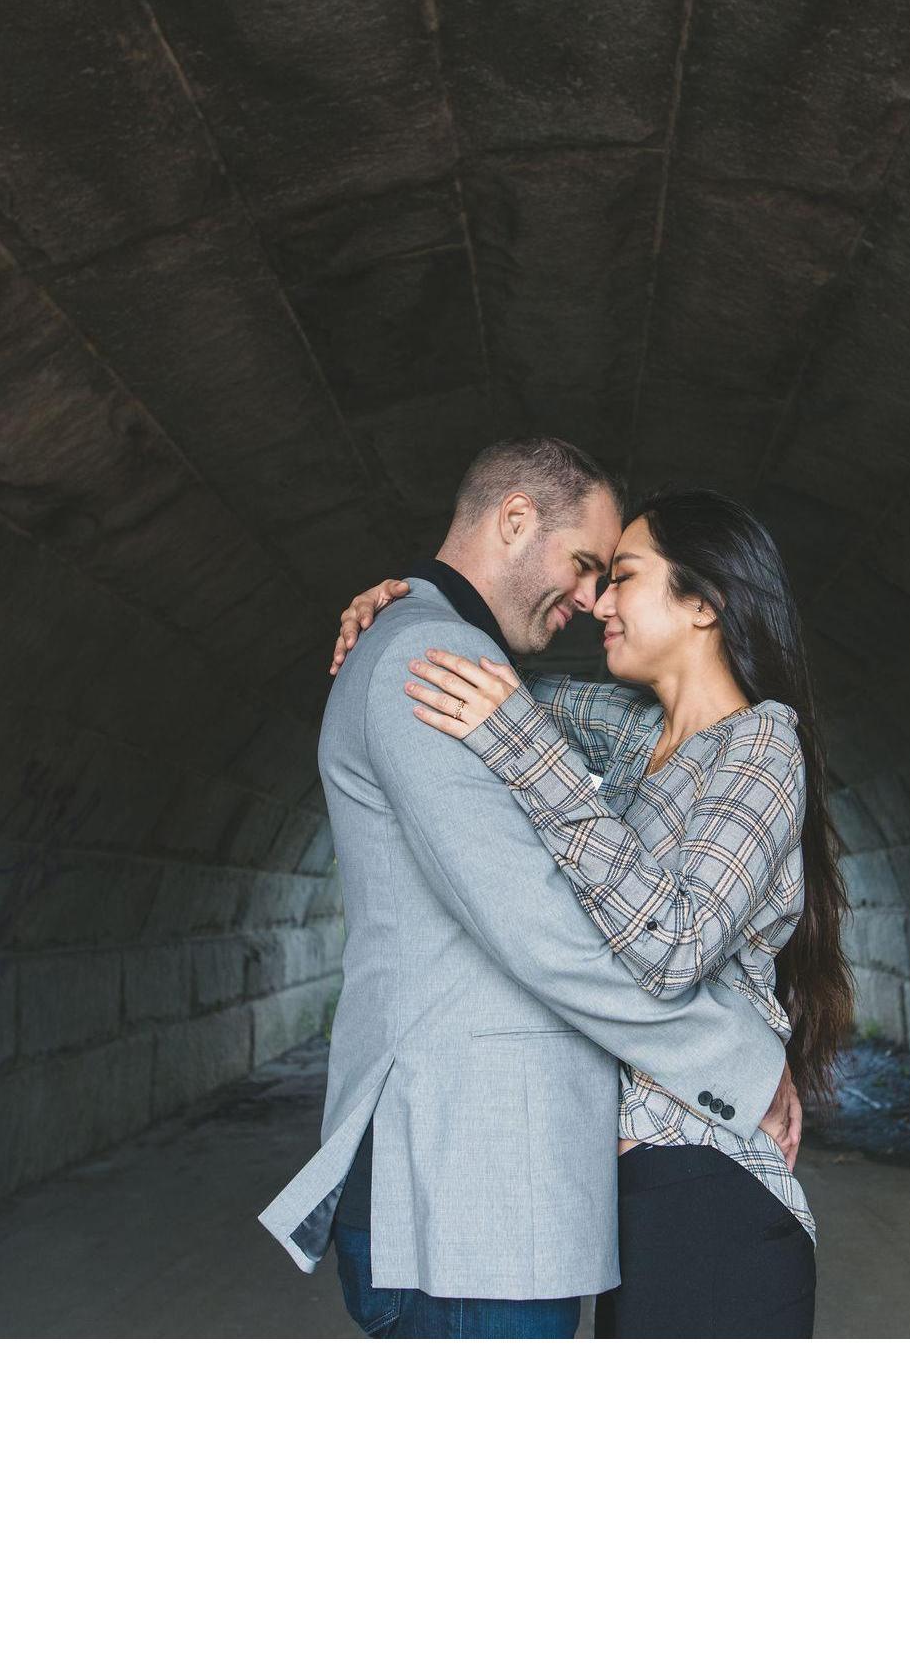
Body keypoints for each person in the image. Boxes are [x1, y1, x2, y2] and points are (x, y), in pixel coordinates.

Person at [257, 436, 804, 1339]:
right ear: (515, 520)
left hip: (516, 1195)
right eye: (589, 566)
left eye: (617, 578)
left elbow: (537, 719)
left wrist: (405, 602)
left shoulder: (473, 665)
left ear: (704, 604)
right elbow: (545, 931)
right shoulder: (427, 656)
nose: (593, 601)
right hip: (470, 1192)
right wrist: (739, 1060)